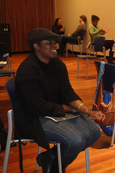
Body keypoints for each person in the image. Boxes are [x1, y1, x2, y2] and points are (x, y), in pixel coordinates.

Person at [15, 28, 102, 173]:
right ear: (36, 46)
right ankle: (57, 167)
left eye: (55, 42)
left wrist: (87, 110)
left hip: (55, 112)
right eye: (49, 42)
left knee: (94, 132)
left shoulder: (58, 64)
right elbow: (38, 107)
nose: (54, 45)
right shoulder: (27, 70)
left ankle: (51, 158)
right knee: (76, 140)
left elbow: (67, 92)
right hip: (34, 118)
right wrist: (68, 109)